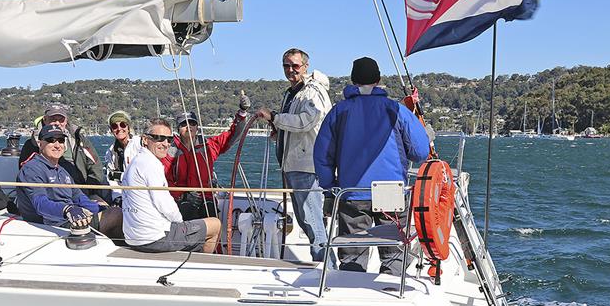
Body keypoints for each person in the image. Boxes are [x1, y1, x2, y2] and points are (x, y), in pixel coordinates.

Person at [313, 56, 431, 274]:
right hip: (391, 191)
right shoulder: (395, 110)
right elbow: (420, 151)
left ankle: (352, 294)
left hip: (352, 192)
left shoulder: (340, 111)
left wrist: (330, 189)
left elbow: (322, 155)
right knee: (394, 255)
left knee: (352, 257)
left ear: (352, 80)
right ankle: (392, 292)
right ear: (378, 80)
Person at [257, 48, 332, 260]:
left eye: (295, 66)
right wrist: (279, 130)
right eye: (286, 66)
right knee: (306, 220)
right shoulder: (292, 93)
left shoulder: (311, 92)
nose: (291, 70)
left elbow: (306, 121)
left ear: (305, 67)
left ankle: (327, 270)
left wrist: (275, 117)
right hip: (294, 166)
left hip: (306, 166)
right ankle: (325, 267)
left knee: (312, 221)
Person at [122, 118, 221, 253]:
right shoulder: (151, 164)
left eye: (169, 139)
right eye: (159, 138)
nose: (165, 144)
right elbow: (165, 205)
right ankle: (201, 269)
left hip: (134, 237)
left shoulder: (137, 161)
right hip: (155, 238)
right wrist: (181, 224)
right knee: (215, 224)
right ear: (145, 140)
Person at [17, 124, 123, 239]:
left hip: (71, 219)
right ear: (40, 144)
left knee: (118, 212)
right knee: (116, 215)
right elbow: (40, 203)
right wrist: (67, 210)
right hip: (52, 224)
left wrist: (102, 209)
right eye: (51, 140)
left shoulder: (62, 171)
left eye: (61, 140)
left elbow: (78, 197)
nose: (57, 145)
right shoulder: (31, 169)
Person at [167, 92, 250, 220]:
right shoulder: (170, 152)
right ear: (178, 129)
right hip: (180, 199)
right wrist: (183, 194)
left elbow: (233, 135)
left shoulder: (208, 146)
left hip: (206, 197)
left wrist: (242, 112)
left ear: (197, 127)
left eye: (192, 123)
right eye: (184, 124)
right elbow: (165, 182)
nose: (189, 126)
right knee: (186, 213)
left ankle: (213, 240)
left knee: (211, 214)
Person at [19, 103, 109, 200]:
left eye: (61, 120)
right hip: (50, 192)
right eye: (53, 119)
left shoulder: (79, 139)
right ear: (45, 120)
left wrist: (89, 189)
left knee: (107, 198)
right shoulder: (31, 144)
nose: (57, 123)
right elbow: (26, 174)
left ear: (66, 121)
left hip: (80, 189)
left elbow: (95, 165)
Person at [104, 110, 141, 192]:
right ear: (111, 130)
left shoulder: (140, 145)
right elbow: (112, 178)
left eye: (122, 125)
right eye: (114, 126)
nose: (119, 129)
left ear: (128, 128)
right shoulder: (110, 152)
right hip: (123, 194)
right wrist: (117, 196)